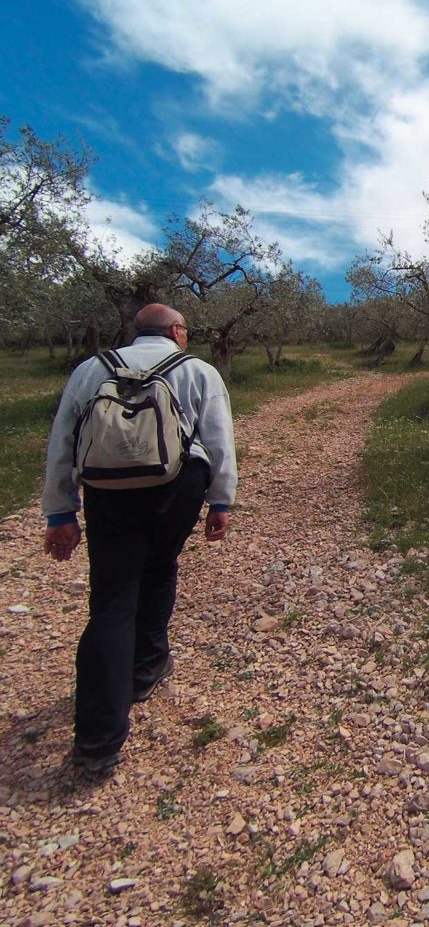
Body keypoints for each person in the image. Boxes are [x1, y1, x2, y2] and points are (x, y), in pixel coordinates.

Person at [42, 304, 237, 774]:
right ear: (175, 331)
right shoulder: (196, 370)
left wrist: (60, 510)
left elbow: (63, 439)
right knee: (161, 564)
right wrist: (221, 501)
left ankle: (97, 742)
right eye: (185, 330)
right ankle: (146, 668)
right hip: (176, 486)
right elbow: (218, 439)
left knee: (112, 597)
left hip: (107, 492)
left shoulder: (92, 369)